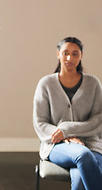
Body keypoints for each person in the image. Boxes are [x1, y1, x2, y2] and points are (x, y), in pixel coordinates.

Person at [33, 37, 102, 190]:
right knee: (83, 156)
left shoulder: (93, 84)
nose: (70, 58)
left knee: (79, 180)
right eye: (65, 53)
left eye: (75, 54)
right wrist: (63, 135)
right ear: (58, 54)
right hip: (56, 145)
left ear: (81, 55)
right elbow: (40, 123)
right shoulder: (46, 84)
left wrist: (67, 130)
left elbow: (99, 120)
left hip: (92, 144)